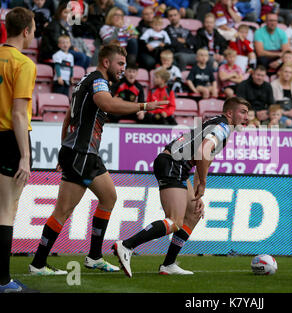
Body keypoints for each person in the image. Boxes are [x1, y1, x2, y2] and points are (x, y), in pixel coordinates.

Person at [29, 44, 167, 276]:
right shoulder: (98, 81)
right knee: (63, 211)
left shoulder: (84, 81)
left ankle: (93, 257)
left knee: (108, 197)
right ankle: (39, 263)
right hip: (82, 153)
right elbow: (108, 104)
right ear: (106, 62)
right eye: (120, 64)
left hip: (81, 153)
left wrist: (65, 148)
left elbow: (67, 118)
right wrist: (144, 106)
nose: (123, 69)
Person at [113, 96, 250, 276]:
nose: (247, 117)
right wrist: (203, 184)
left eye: (248, 113)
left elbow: (203, 158)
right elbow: (203, 151)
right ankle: (126, 245)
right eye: (243, 112)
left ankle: (168, 264)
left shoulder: (218, 124)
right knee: (174, 221)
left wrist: (198, 192)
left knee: (193, 212)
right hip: (173, 163)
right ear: (230, 113)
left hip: (177, 165)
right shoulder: (223, 126)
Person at [0, 7, 37, 294]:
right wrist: (25, 155)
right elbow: (19, 114)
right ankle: (3, 281)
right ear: (26, 30)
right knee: (6, 212)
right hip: (10, 140)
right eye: (33, 27)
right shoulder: (23, 63)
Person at [165, 7, 196, 71]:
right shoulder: (165, 31)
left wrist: (184, 41)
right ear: (168, 18)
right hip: (177, 54)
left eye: (175, 15)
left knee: (208, 58)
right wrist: (186, 43)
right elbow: (171, 43)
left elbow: (194, 42)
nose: (173, 17)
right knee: (182, 57)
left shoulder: (186, 30)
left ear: (179, 16)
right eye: (170, 16)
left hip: (190, 53)